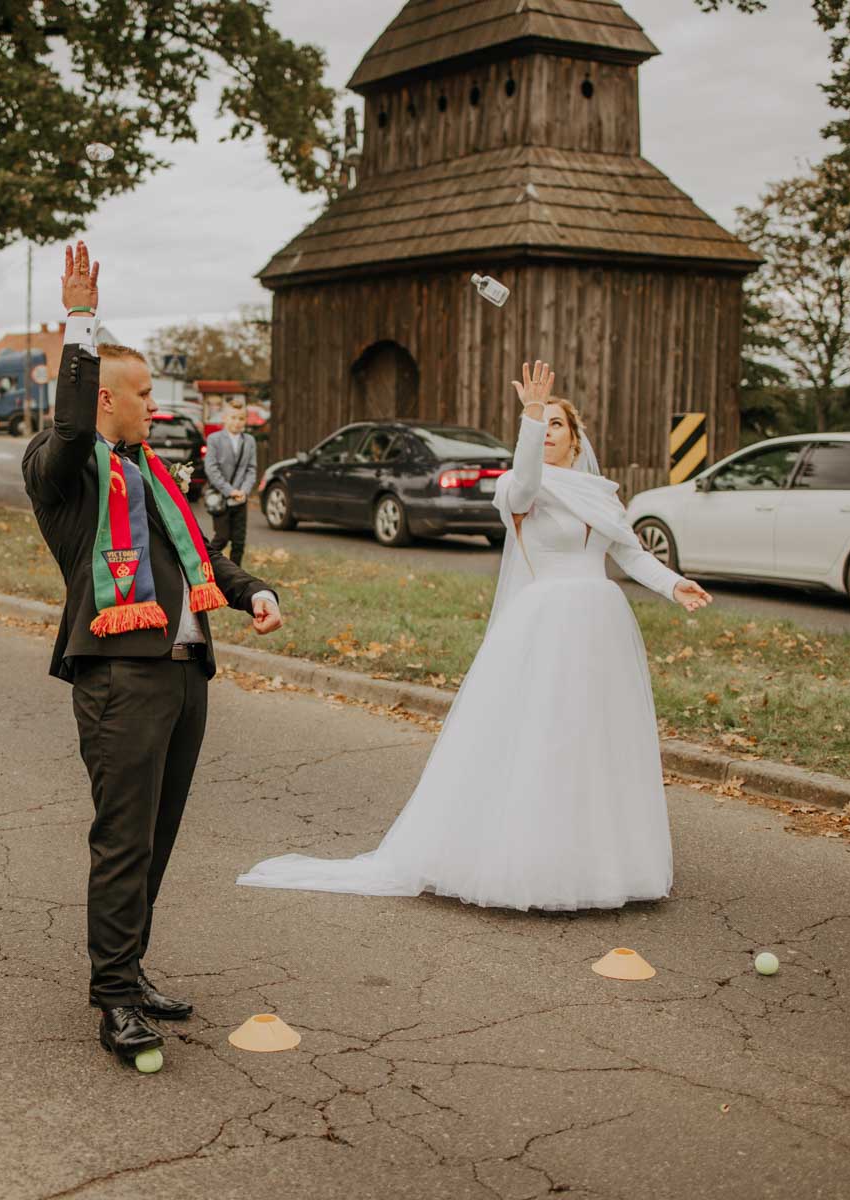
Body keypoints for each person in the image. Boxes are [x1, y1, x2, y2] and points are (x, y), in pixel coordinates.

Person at [239, 360, 712, 911]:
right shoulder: (519, 486)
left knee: (594, 740)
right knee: (544, 737)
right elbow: (529, 477)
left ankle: (599, 864)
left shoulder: (600, 496)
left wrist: (674, 585)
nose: (551, 430)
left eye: (560, 424)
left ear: (577, 438)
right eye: (545, 425)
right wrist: (532, 416)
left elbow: (628, 553)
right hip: (546, 625)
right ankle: (532, 864)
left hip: (599, 626)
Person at [23, 241, 285, 1068]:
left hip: (183, 674)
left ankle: (129, 970)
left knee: (159, 835)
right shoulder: (61, 470)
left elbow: (206, 554)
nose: (155, 409)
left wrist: (251, 592)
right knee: (125, 838)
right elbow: (67, 422)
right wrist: (79, 320)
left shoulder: (154, 476)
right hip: (119, 680)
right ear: (103, 398)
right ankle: (113, 1001)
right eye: (142, 396)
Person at [203, 403, 257, 566]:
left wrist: (244, 491)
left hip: (240, 498)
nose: (237, 422)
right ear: (225, 418)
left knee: (239, 542)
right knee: (222, 537)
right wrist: (229, 490)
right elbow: (211, 468)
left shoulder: (249, 441)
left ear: (246, 420)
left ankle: (235, 575)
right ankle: (206, 566)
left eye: (241, 418)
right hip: (221, 497)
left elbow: (251, 469)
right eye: (233, 417)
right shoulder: (215, 439)